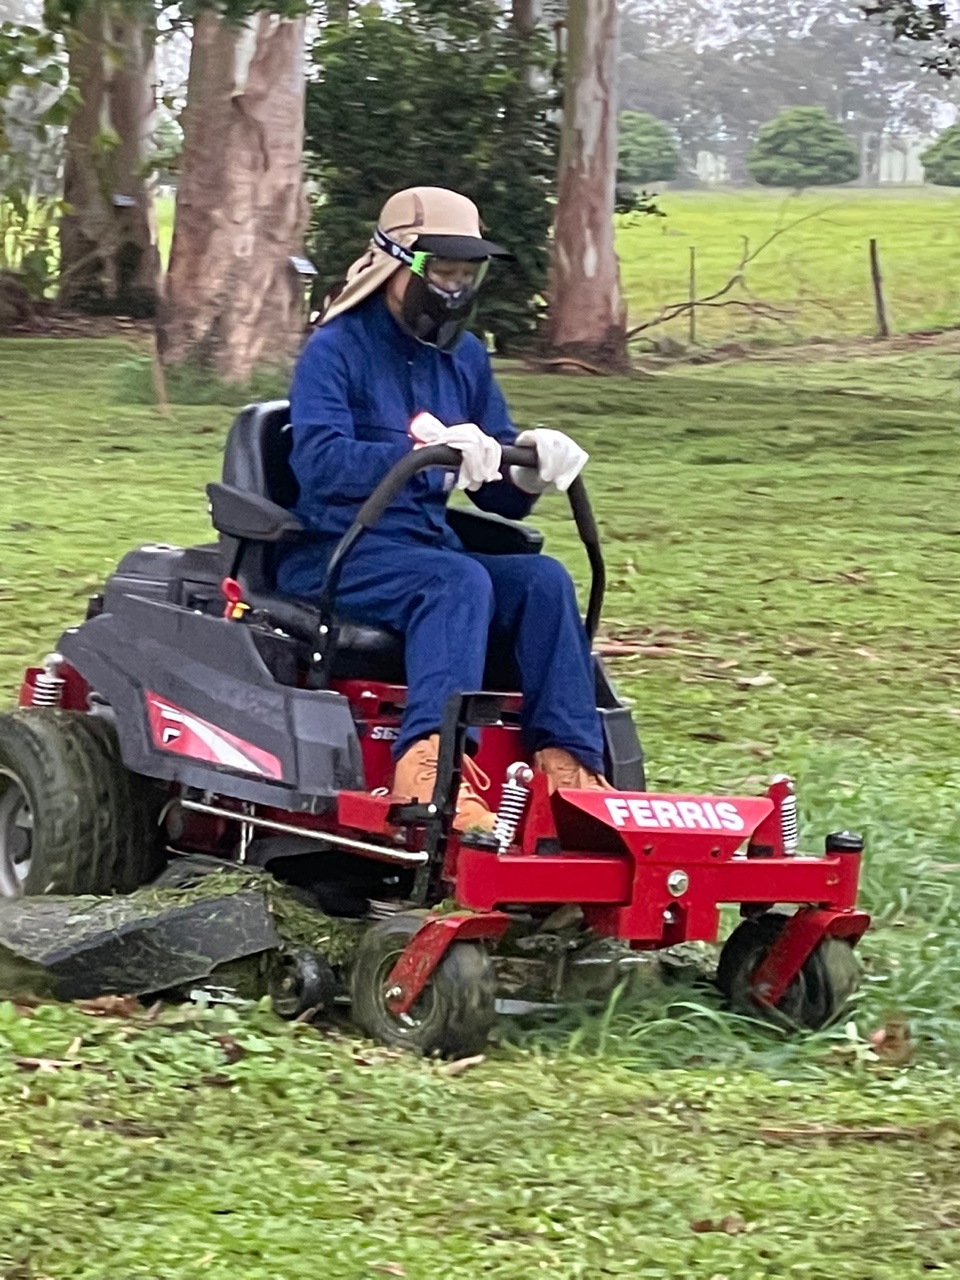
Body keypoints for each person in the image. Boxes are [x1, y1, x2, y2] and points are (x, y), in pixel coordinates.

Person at [279, 186, 610, 831]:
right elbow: (318, 465)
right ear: (395, 263)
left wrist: (533, 465)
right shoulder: (335, 349)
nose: (455, 289)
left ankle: (569, 765)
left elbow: (499, 493)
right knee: (457, 581)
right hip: (336, 551)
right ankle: (432, 770)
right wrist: (419, 453)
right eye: (443, 272)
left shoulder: (466, 359)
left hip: (426, 548)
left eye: (467, 273)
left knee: (543, 581)